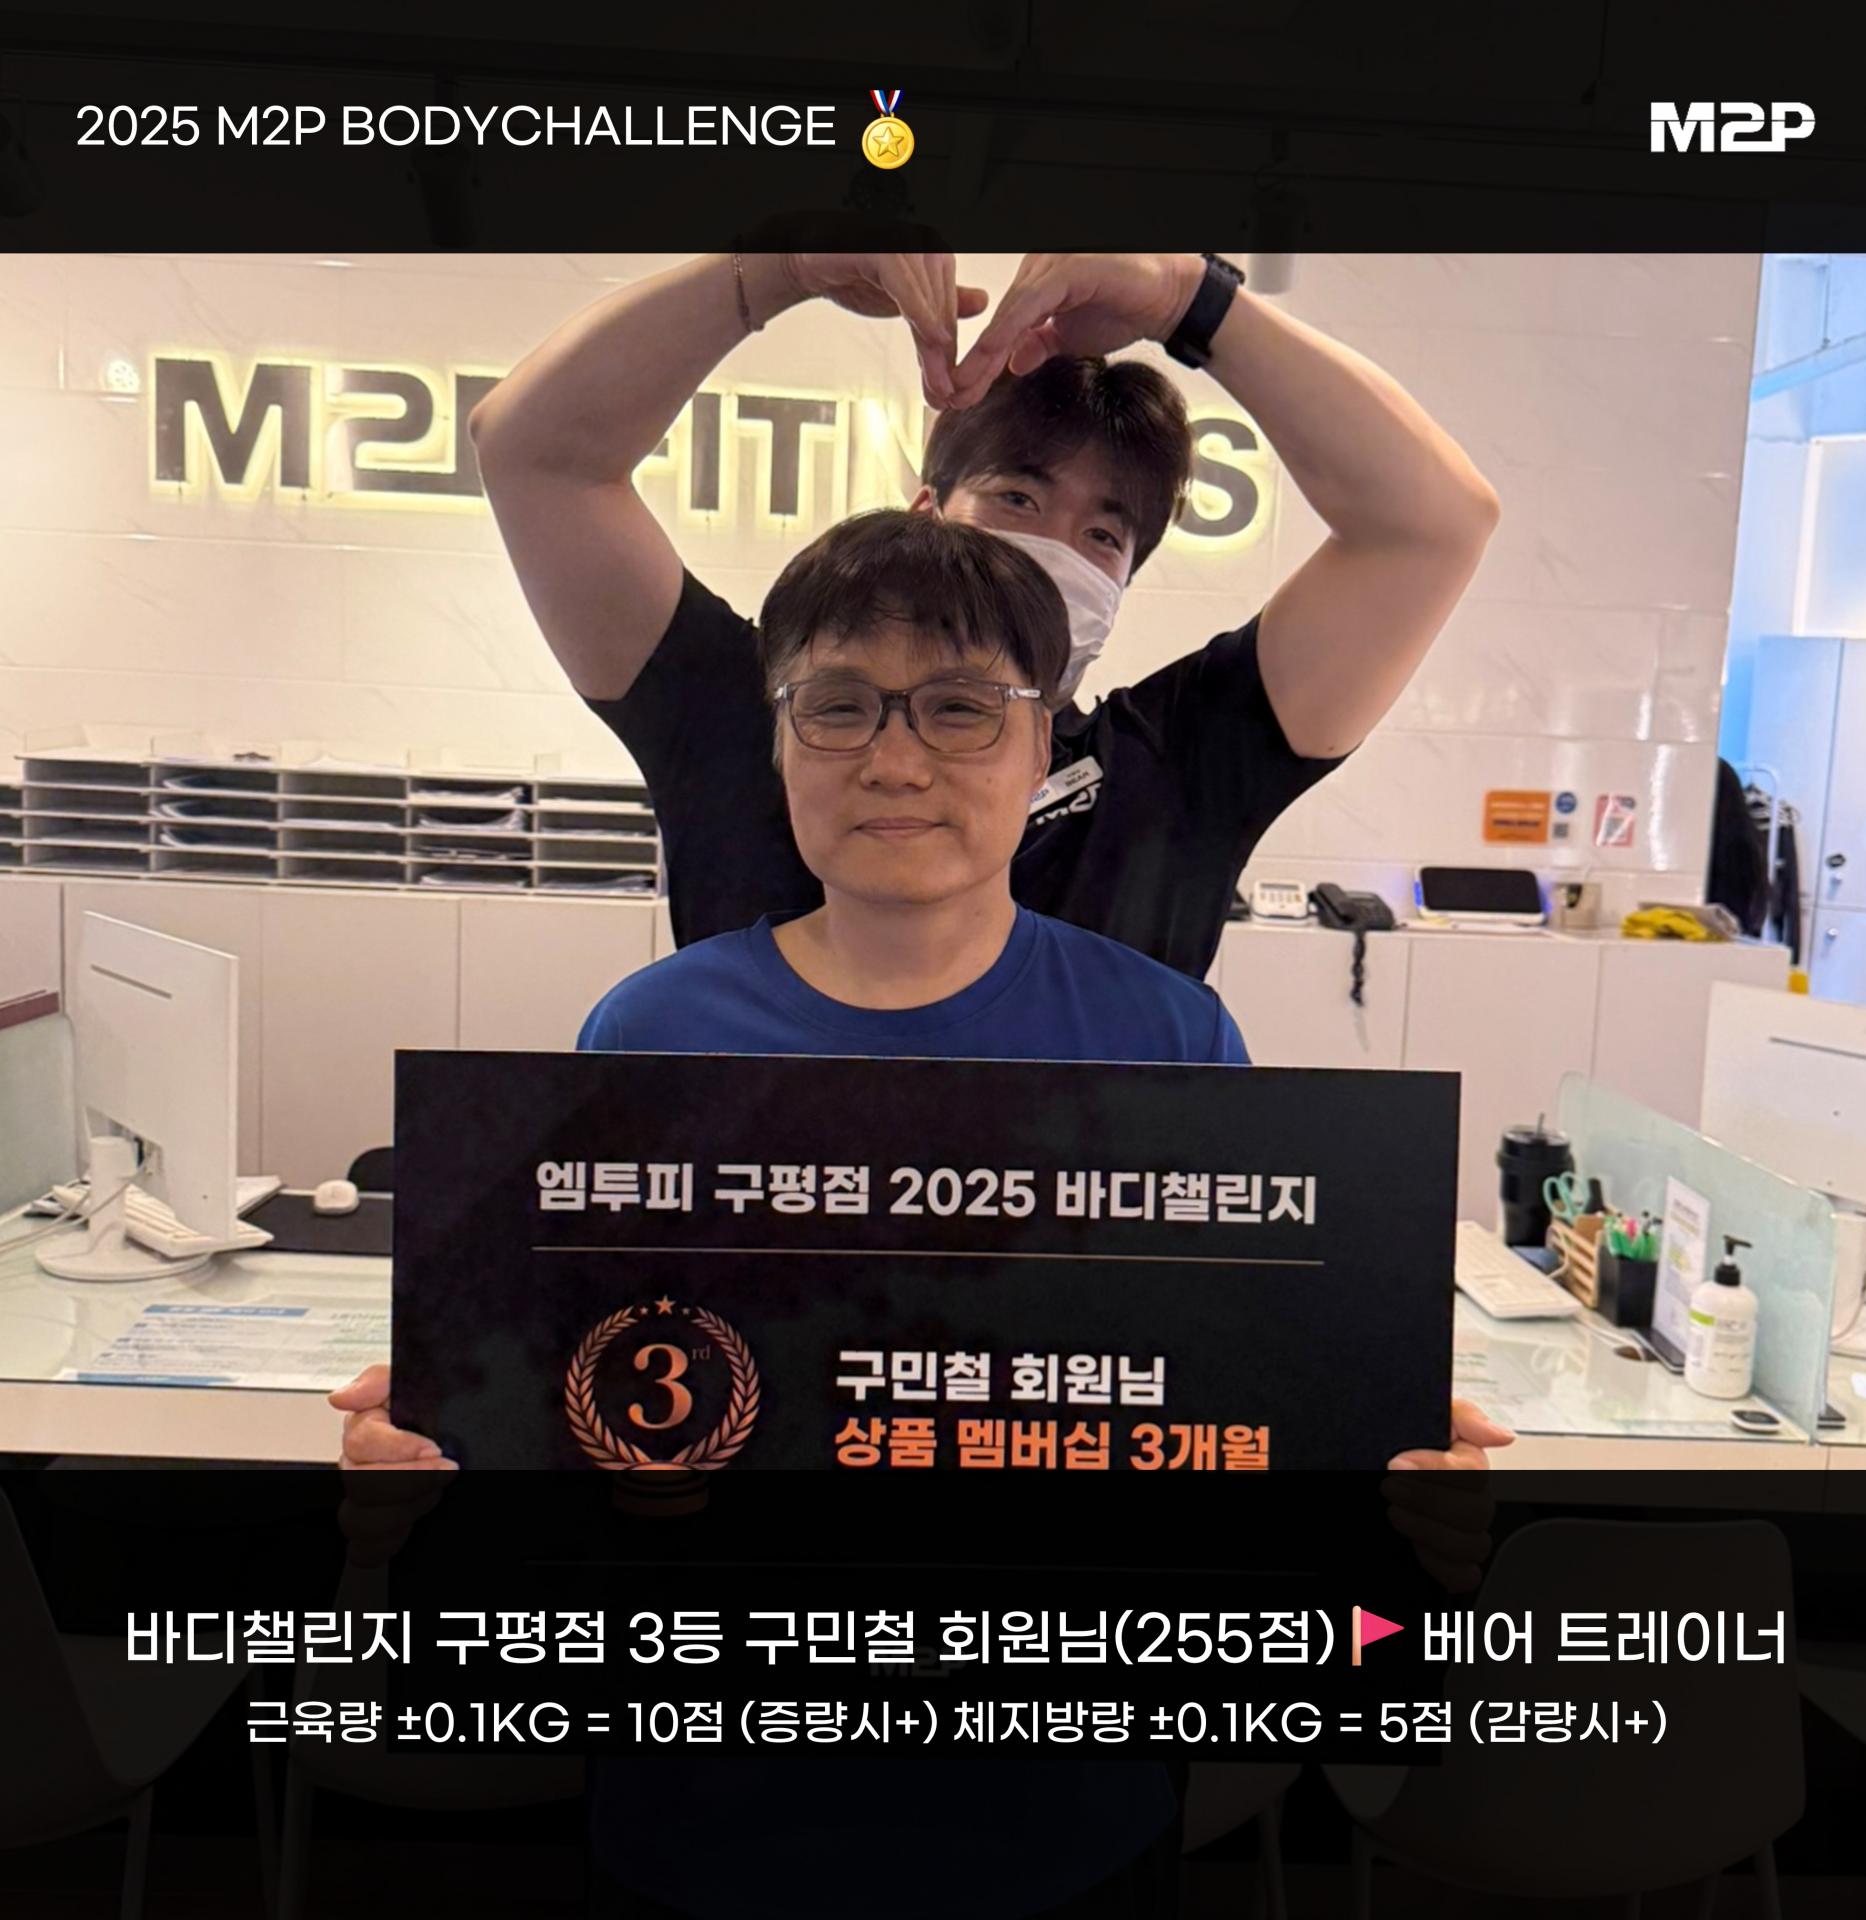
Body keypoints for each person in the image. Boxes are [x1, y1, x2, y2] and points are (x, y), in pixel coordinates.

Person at [332, 510, 1512, 1919]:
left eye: (960, 708)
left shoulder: (1167, 1038)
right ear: (780, 744)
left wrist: (1393, 1504)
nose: (895, 760)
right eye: (838, 707)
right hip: (713, 1801)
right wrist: (434, 1465)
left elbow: (1235, 1428)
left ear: (1040, 743)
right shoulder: (651, 1031)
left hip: (1068, 1806)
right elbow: (579, 1414)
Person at [467, 248, 1501, 979]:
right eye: (1016, 498)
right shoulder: (765, 713)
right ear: (927, 514)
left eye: (1104, 534)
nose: (1051, 552)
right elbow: (533, 452)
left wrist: (1190, 298)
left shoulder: (1176, 764)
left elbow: (1433, 524)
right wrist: (776, 269)